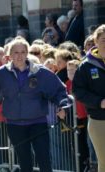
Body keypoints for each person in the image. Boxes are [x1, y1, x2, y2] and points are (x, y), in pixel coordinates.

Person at [0, 38, 69, 172]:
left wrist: (63, 105)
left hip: (38, 124)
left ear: (27, 53)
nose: (19, 56)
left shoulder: (40, 72)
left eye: (22, 52)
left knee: (44, 160)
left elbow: (59, 90)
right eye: (16, 52)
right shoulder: (0, 74)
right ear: (9, 55)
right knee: (24, 162)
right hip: (15, 125)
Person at [72, 24, 105, 172]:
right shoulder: (85, 65)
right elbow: (78, 91)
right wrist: (99, 102)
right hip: (99, 120)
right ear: (96, 42)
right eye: (104, 40)